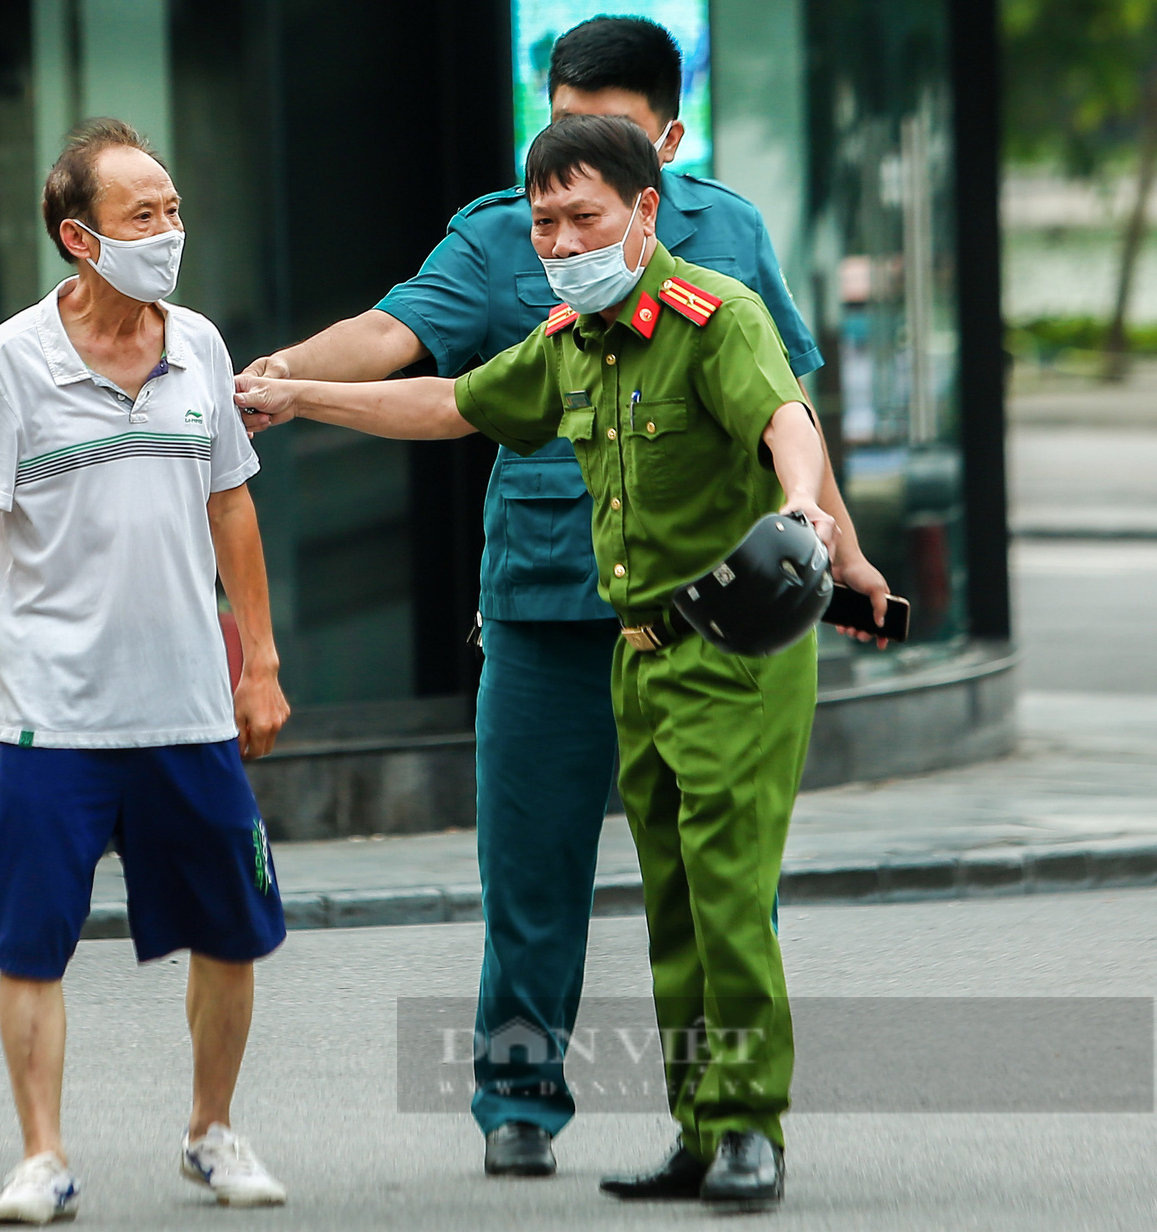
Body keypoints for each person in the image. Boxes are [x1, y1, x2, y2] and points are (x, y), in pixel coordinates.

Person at [239, 14, 888, 1179]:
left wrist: (827, 536)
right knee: (537, 869)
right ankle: (527, 1097)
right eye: (549, 192)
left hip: (720, 620)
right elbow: (421, 373)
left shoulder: (718, 261)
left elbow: (780, 403)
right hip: (557, 605)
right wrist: (285, 385)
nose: (559, 228)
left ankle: (733, 1123)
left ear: (653, 175)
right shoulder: (525, 264)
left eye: (588, 195)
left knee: (718, 884)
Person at [0, 118, 291, 1225]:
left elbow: (231, 507)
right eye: (141, 215)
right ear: (78, 235)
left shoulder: (199, 347)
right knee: (30, 944)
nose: (167, 232)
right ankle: (41, 1156)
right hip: (51, 718)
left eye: (171, 210)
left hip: (188, 709)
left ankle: (210, 1129)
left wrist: (258, 659)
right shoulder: (11, 361)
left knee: (230, 928)